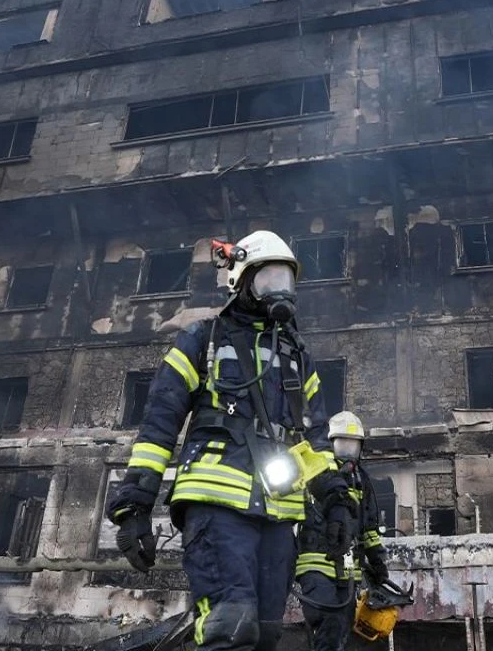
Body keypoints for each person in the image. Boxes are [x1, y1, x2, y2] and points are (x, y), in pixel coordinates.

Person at [106, 231, 357, 651]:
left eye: (286, 280)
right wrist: (135, 503)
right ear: (241, 280)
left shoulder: (297, 357)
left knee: (266, 633)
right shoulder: (203, 339)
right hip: (216, 504)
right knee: (230, 623)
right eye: (269, 279)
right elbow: (160, 423)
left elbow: (313, 439)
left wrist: (336, 500)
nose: (279, 290)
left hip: (279, 513)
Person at [295, 411, 389, 651]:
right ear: (330, 444)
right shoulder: (316, 472)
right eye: (343, 445)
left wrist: (377, 561)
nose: (348, 453)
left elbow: (368, 526)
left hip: (348, 566)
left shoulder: (361, 480)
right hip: (316, 561)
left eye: (352, 446)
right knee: (326, 617)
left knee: (343, 625)